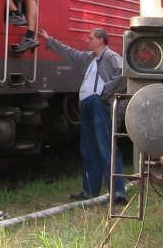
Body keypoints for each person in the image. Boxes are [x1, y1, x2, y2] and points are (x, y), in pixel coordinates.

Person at [38, 27, 127, 202]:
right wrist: (50, 40)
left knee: (106, 147)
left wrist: (105, 92)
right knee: (89, 149)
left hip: (99, 104)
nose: (87, 40)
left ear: (101, 40)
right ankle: (90, 191)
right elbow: (69, 53)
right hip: (87, 105)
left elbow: (124, 72)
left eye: (91, 38)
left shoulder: (110, 57)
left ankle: (117, 193)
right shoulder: (89, 58)